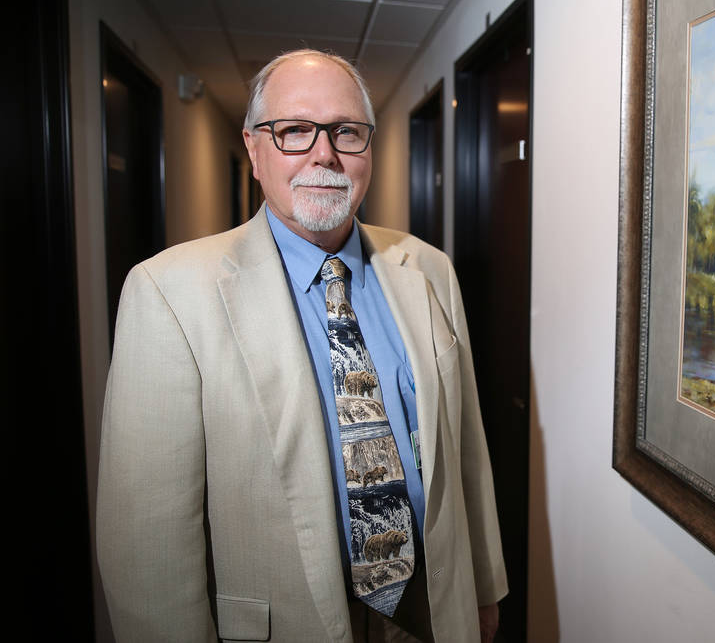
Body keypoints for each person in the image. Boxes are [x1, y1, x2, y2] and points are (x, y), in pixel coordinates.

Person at [96, 49, 507, 643]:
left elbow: (466, 447)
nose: (324, 153)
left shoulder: (429, 268)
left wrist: (484, 586)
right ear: (254, 150)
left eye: (346, 132)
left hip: (430, 607)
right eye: (293, 131)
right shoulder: (169, 293)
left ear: (369, 148)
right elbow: (147, 544)